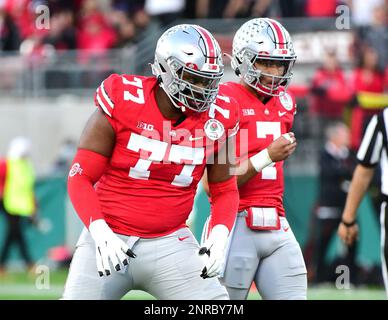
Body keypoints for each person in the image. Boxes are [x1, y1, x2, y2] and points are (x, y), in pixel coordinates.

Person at [62, 24, 240, 300]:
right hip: (109, 237)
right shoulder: (124, 99)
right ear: (167, 71)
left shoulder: (222, 117)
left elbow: (225, 189)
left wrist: (219, 235)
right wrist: (99, 231)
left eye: (209, 81)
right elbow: (79, 176)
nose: (204, 90)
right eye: (195, 79)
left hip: (171, 242)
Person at [206, 17, 307, 300]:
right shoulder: (224, 100)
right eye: (265, 62)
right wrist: (266, 157)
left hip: (277, 221)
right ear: (244, 59)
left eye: (280, 63)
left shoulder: (285, 103)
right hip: (234, 221)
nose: (274, 71)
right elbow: (213, 184)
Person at [338, 108, 388, 297]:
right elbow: (364, 171)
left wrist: (348, 219)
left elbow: (364, 170)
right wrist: (348, 219)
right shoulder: (382, 119)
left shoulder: (383, 119)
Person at [303, 122, 358, 285]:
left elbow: (355, 172)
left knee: (350, 245)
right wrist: (344, 174)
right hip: (328, 209)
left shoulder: (348, 155)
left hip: (346, 209)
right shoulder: (325, 154)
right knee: (321, 245)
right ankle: (317, 278)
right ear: (334, 137)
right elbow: (333, 173)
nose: (347, 138)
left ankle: (349, 280)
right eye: (344, 135)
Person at [0, 137, 37, 275]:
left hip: (20, 206)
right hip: (8, 203)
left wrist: (33, 207)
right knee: (16, 234)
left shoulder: (27, 165)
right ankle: (29, 264)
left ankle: (3, 265)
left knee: (13, 234)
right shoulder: (7, 163)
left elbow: (28, 188)